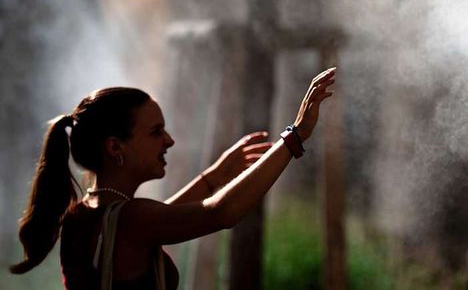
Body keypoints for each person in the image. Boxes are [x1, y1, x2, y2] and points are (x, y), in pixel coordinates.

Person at [9, 67, 336, 289]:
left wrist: (215, 175)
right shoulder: (130, 219)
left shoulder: (85, 212)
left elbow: (162, 217)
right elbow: (220, 213)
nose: (169, 141)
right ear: (115, 147)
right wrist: (294, 137)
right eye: (155, 132)